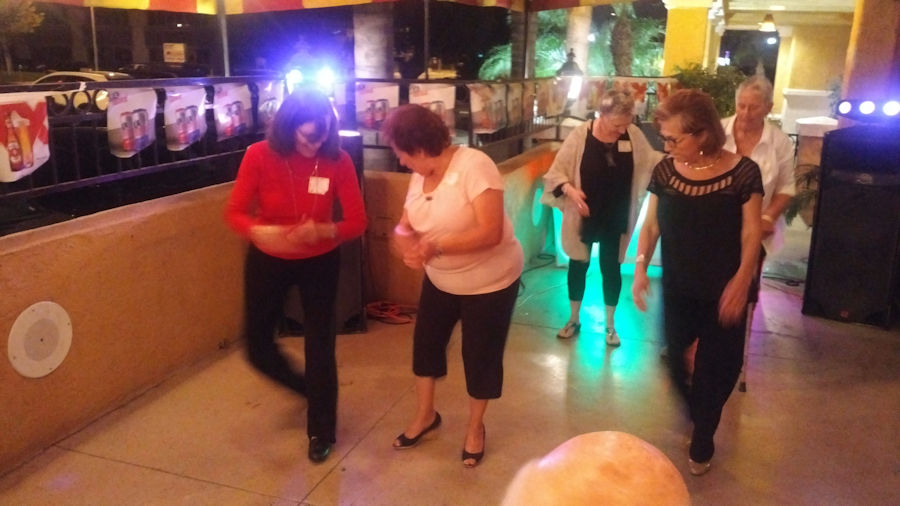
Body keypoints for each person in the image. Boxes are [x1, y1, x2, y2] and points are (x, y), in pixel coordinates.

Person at [224, 88, 367, 463]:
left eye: (321, 137)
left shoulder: (337, 160)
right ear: (288, 129)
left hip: (320, 259)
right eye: (306, 138)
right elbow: (235, 212)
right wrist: (258, 231)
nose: (313, 145)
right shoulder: (259, 155)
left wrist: (326, 230)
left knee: (320, 345)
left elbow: (358, 221)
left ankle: (322, 430)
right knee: (257, 346)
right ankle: (305, 388)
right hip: (269, 257)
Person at [381, 104, 523, 468]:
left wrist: (435, 247)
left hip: (489, 284)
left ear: (418, 147)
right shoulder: (420, 176)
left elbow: (490, 232)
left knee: (480, 356)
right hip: (441, 280)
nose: (400, 160)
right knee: (425, 347)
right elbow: (404, 225)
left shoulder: (474, 166)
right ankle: (425, 415)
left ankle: (475, 428)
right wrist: (405, 242)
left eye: (401, 152)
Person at [631, 89, 763, 476]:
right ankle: (698, 414)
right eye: (665, 139)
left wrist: (742, 280)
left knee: (718, 370)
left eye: (674, 139)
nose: (667, 146)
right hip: (679, 287)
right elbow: (650, 225)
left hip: (724, 290)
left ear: (703, 133)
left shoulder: (743, 173)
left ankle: (704, 434)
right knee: (674, 361)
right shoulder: (666, 171)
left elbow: (751, 233)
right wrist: (640, 268)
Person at [541, 88, 663, 345]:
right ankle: (574, 319)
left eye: (626, 123)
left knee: (612, 267)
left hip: (616, 215)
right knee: (578, 265)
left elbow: (651, 161)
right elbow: (556, 173)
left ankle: (610, 325)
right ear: (602, 115)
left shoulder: (633, 134)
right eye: (617, 125)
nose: (622, 130)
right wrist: (571, 192)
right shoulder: (580, 135)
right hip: (584, 214)